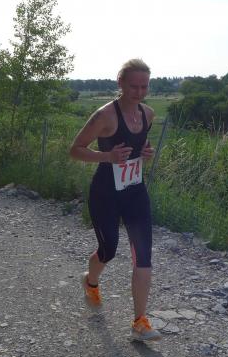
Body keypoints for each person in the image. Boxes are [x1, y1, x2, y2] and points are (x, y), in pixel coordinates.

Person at [69, 59, 160, 341]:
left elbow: (139, 146)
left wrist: (145, 152)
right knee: (108, 250)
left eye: (144, 87)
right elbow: (75, 149)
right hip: (106, 193)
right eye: (133, 86)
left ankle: (140, 322)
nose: (139, 92)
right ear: (120, 82)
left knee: (143, 255)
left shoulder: (148, 114)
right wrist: (107, 156)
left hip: (135, 191)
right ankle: (90, 282)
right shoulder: (105, 116)